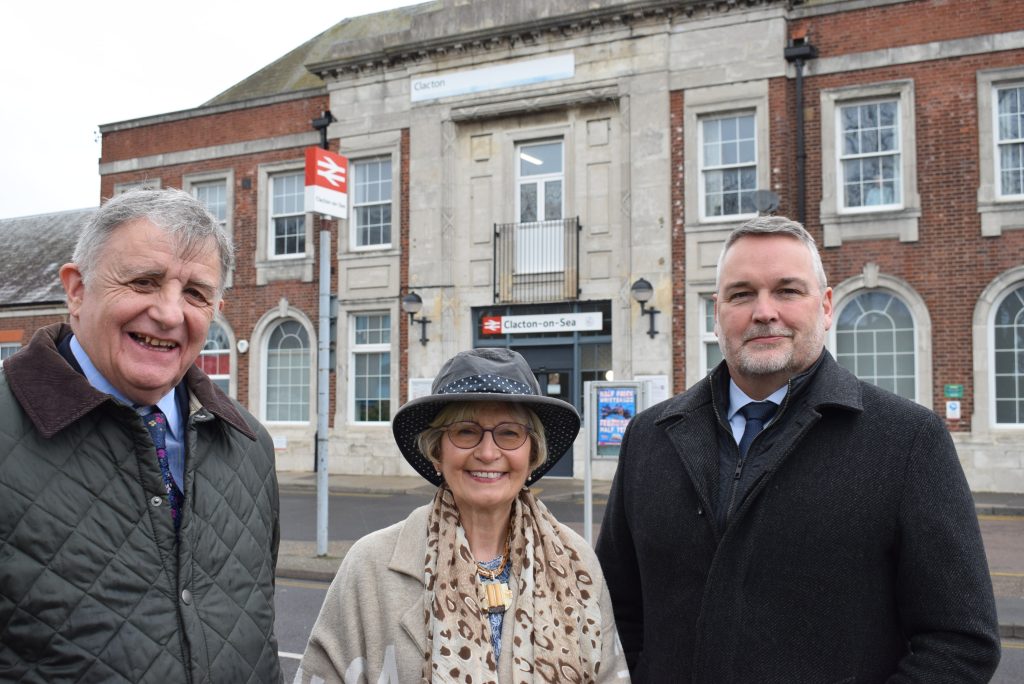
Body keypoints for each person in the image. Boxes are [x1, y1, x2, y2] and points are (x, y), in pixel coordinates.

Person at [596, 216, 1000, 682]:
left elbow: (961, 642)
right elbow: (615, 616)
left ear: (825, 307)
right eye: (741, 294)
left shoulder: (907, 440)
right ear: (716, 312)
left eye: (787, 291)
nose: (764, 311)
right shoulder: (649, 437)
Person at [0, 189, 282, 682]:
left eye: (195, 293)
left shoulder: (249, 445)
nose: (170, 314)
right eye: (143, 282)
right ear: (76, 290)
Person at [296, 348, 629, 683]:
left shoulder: (577, 561)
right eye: (466, 431)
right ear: (436, 452)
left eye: (510, 433)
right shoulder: (369, 567)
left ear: (533, 454)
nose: (487, 452)